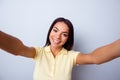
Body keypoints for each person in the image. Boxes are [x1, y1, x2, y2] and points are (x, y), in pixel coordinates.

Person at [0, 17, 120, 80]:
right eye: (55, 30)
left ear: (68, 38)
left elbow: (95, 58)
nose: (57, 36)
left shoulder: (71, 57)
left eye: (64, 34)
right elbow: (18, 49)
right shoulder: (38, 52)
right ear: (50, 31)